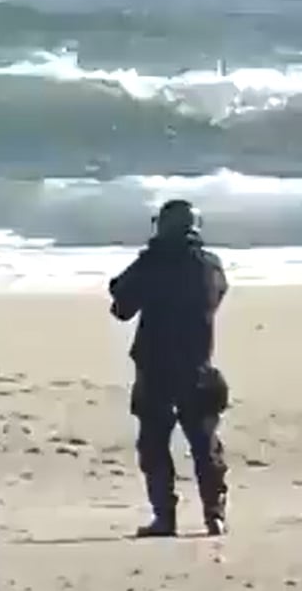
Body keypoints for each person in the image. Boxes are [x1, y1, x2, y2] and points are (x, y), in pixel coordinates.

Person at [108, 199, 230, 537]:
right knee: (204, 444)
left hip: (155, 366)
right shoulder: (209, 265)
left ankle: (165, 517)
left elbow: (121, 304)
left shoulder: (152, 264)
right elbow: (218, 294)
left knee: (154, 445)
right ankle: (214, 514)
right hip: (197, 365)